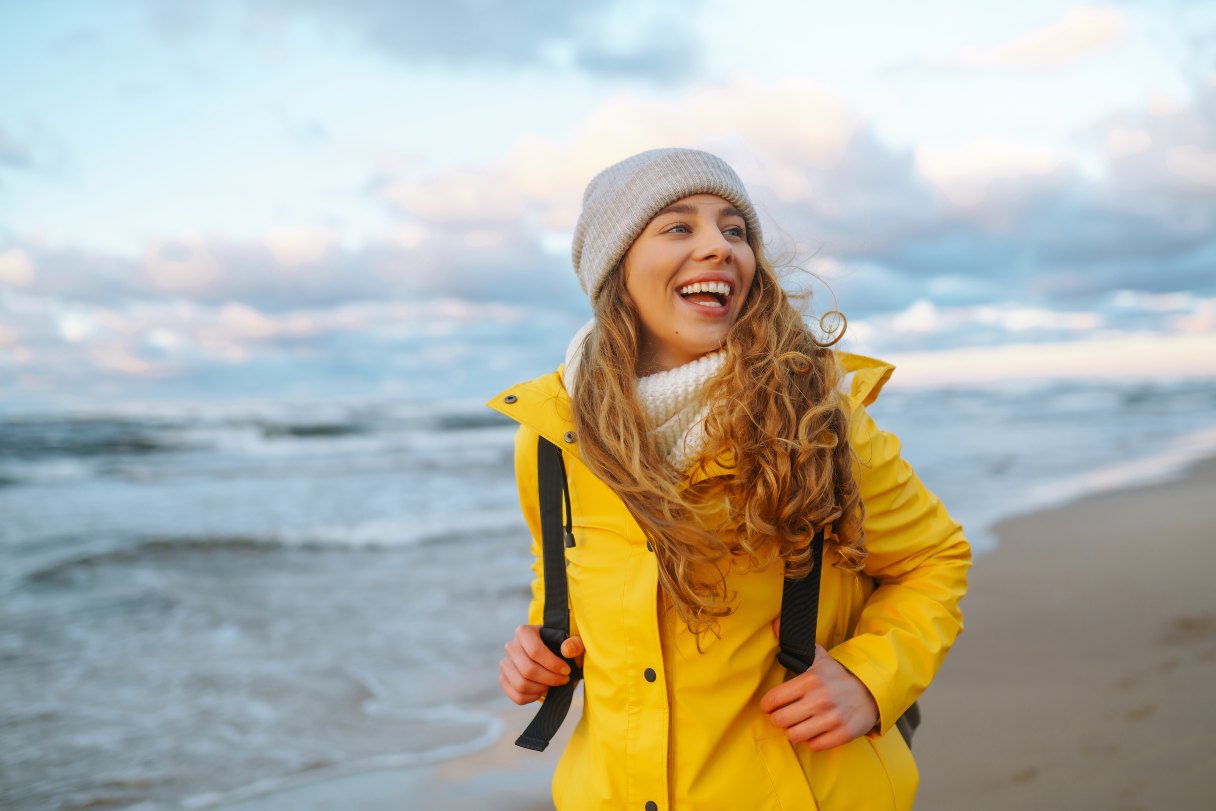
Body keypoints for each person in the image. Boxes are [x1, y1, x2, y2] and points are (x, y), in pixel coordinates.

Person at [487, 148, 971, 810]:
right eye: (680, 227)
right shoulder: (550, 436)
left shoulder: (818, 415)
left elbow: (932, 560)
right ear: (615, 264)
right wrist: (540, 649)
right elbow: (564, 588)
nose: (720, 246)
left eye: (735, 230)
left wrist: (870, 679)